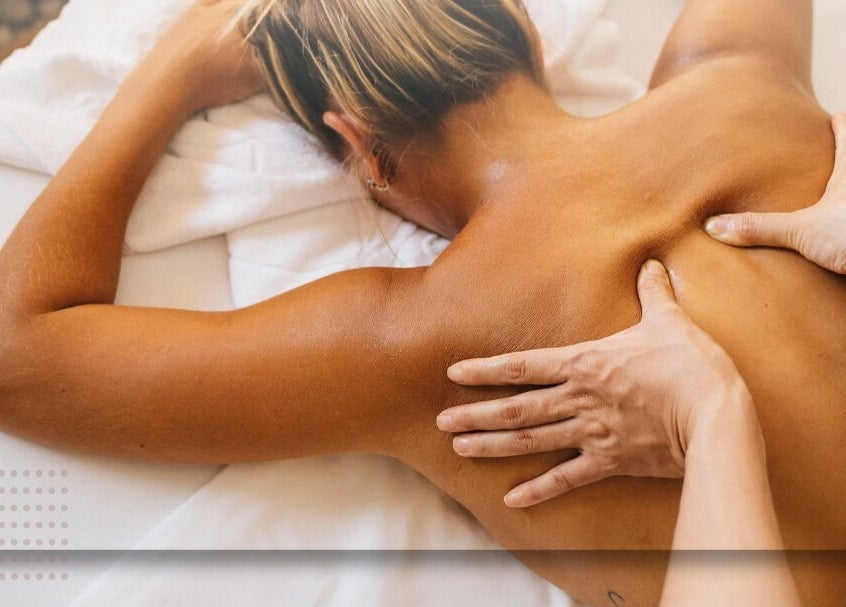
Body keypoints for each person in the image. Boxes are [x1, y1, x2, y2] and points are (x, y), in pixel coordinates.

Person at [0, 1, 844, 605]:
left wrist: (170, 73)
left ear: (362, 149)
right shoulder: (743, 81)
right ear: (527, 32)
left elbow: (18, 354)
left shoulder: (416, 340)